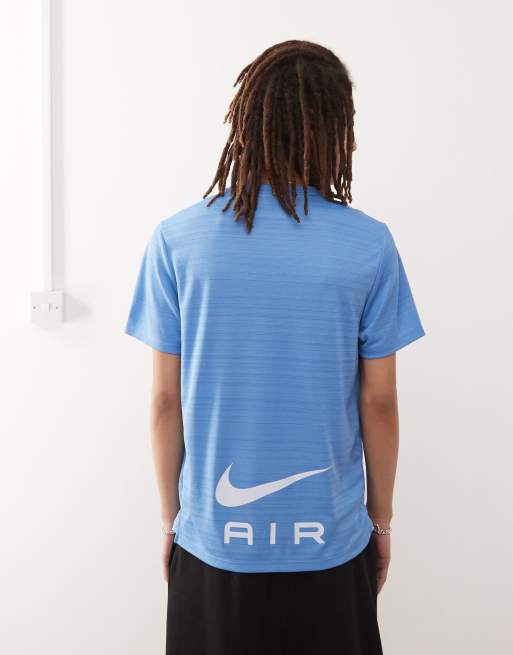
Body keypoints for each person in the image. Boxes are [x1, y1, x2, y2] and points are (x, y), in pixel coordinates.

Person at [124, 39, 425, 655]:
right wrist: (381, 521)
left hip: (213, 543)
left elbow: (164, 402)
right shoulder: (368, 244)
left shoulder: (177, 240)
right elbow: (380, 403)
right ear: (335, 130)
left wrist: (171, 519)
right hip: (330, 542)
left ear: (247, 123)